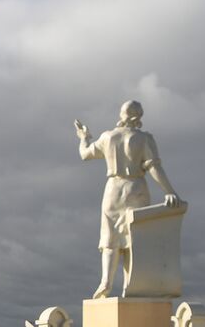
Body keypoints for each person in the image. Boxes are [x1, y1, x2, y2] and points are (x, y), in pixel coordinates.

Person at [74, 100, 181, 299]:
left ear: (122, 114)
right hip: (136, 188)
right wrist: (169, 191)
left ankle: (106, 282)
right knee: (135, 238)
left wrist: (84, 137)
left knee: (110, 239)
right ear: (138, 117)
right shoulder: (145, 139)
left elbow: (85, 154)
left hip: (113, 190)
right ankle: (129, 288)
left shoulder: (108, 137)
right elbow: (153, 167)